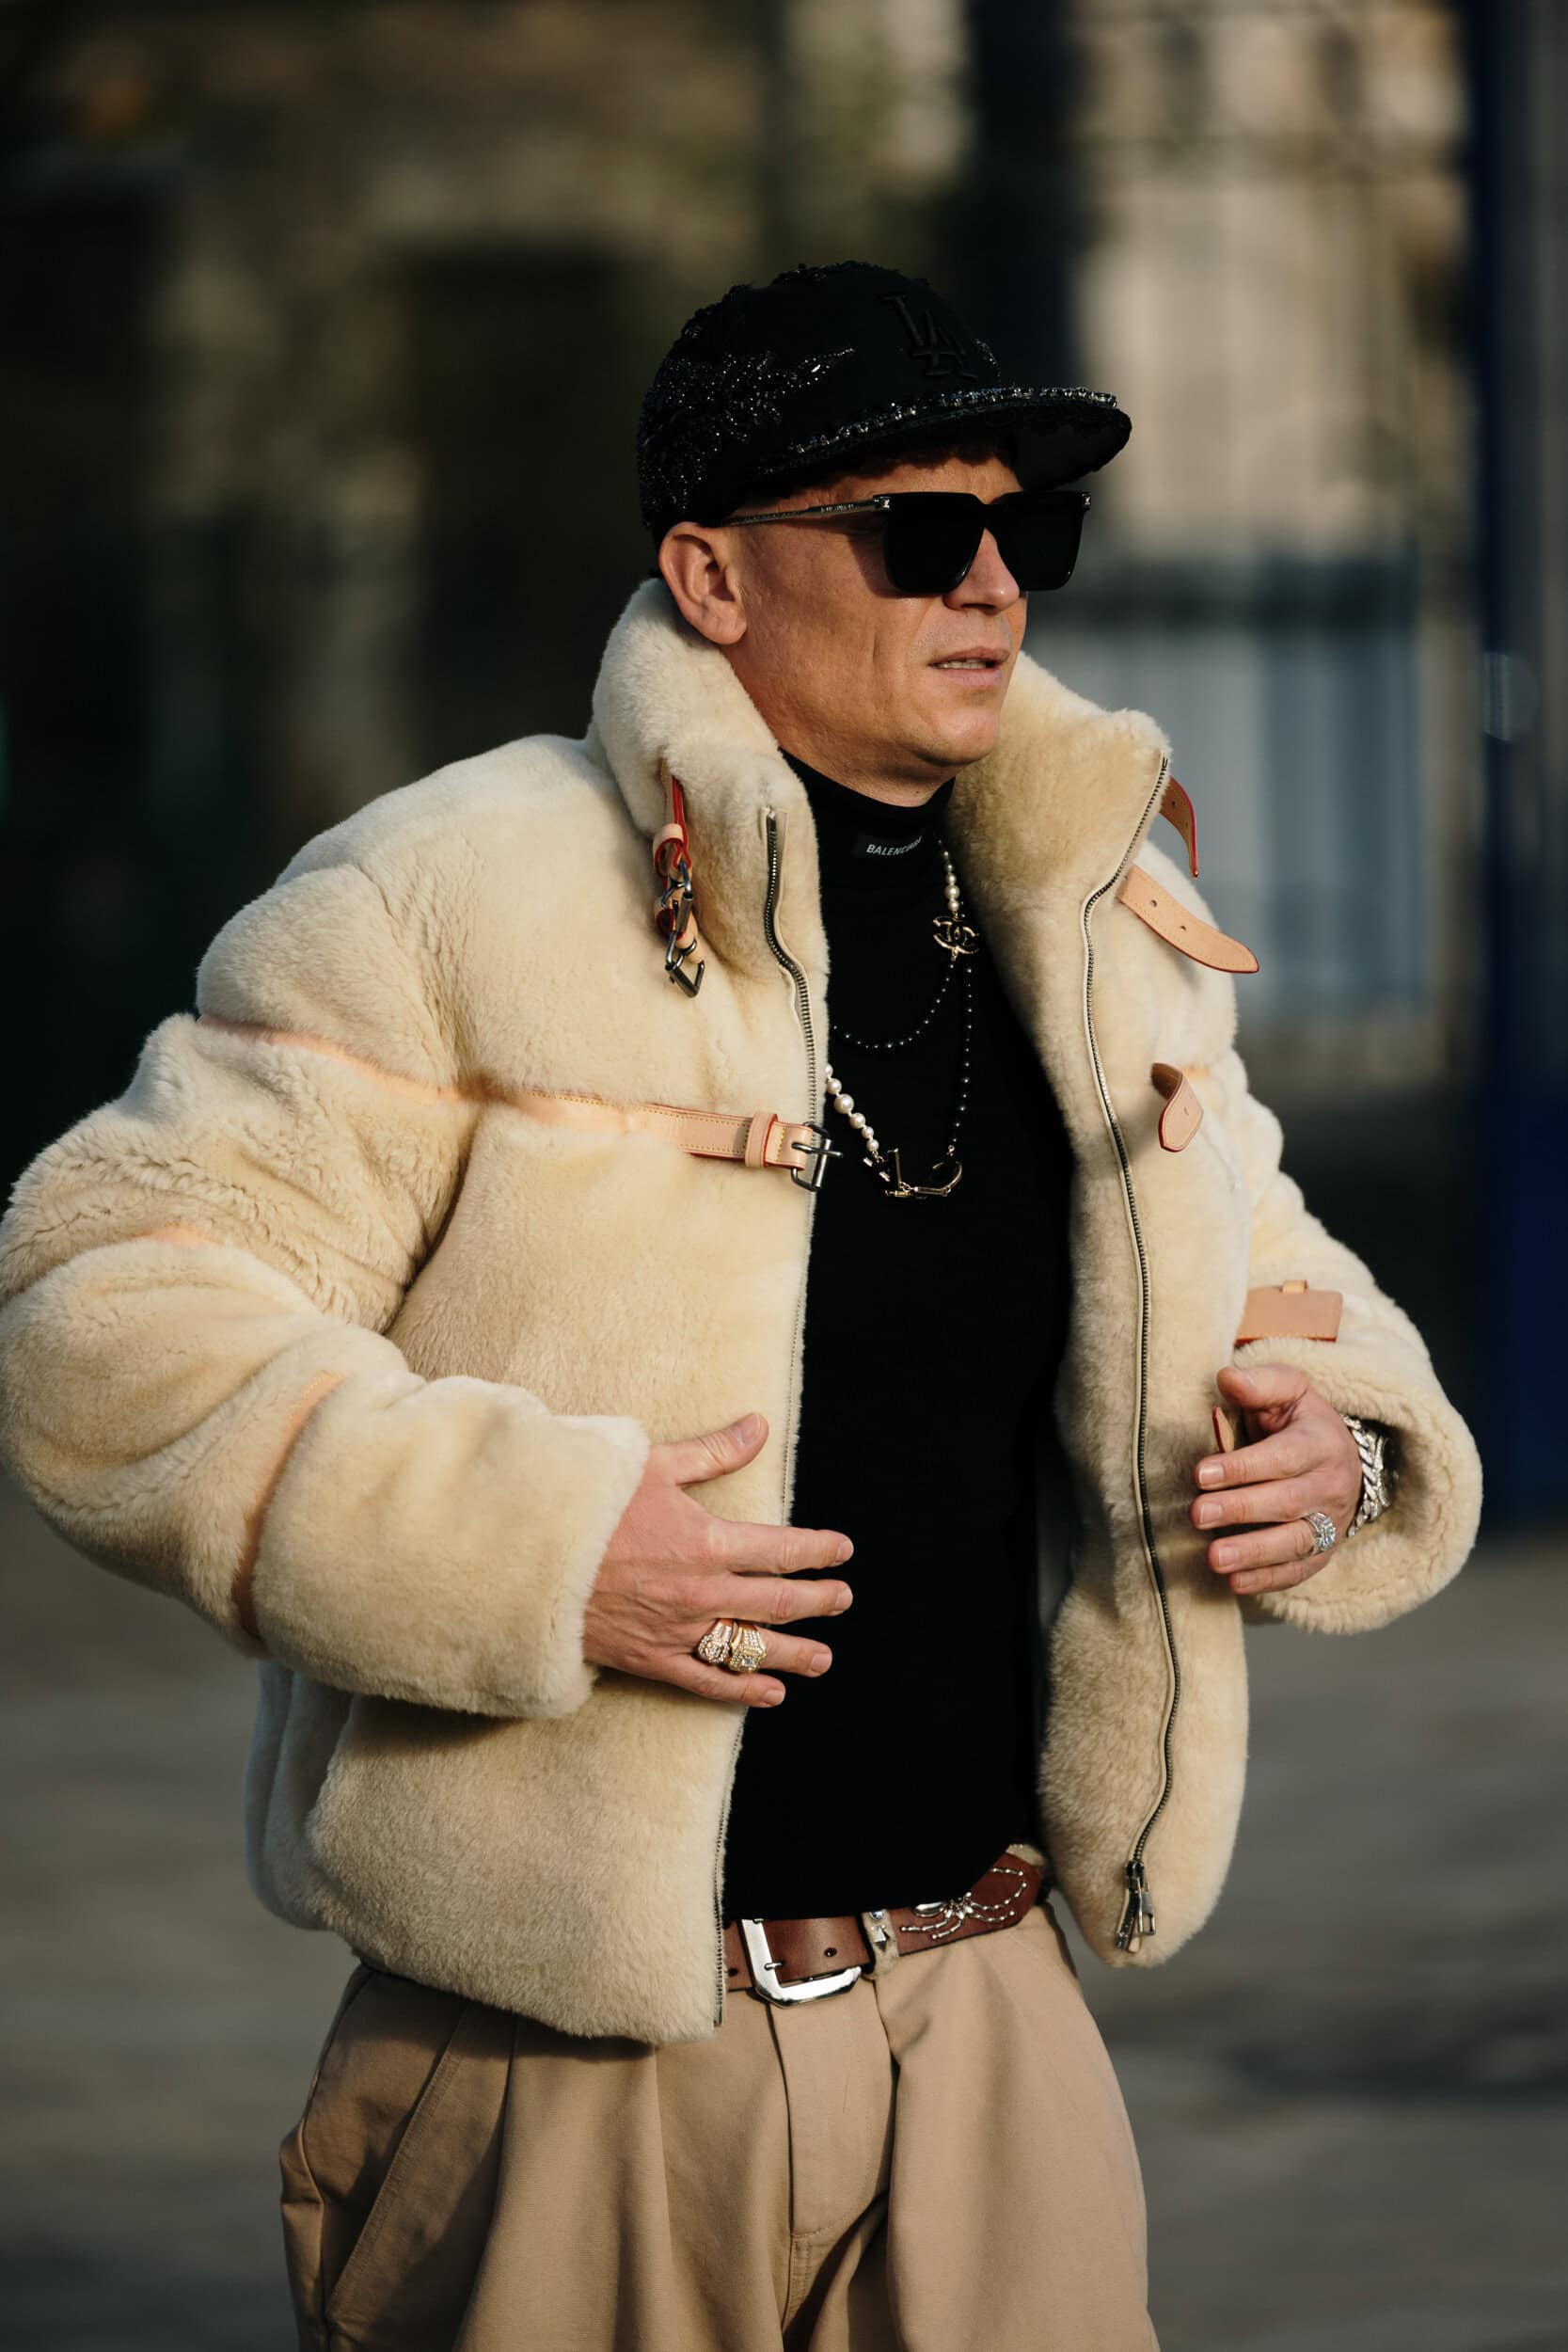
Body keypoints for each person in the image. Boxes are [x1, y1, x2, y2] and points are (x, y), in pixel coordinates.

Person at [0, 261, 1481, 2351]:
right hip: (569, 2055)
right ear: (711, 576)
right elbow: (100, 1301)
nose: (992, 585)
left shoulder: (1103, 919)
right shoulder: (446, 891)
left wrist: (1340, 1439)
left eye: (1027, 531)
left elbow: (1267, 1247)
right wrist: (521, 1547)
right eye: (915, 533)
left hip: (995, 2011)